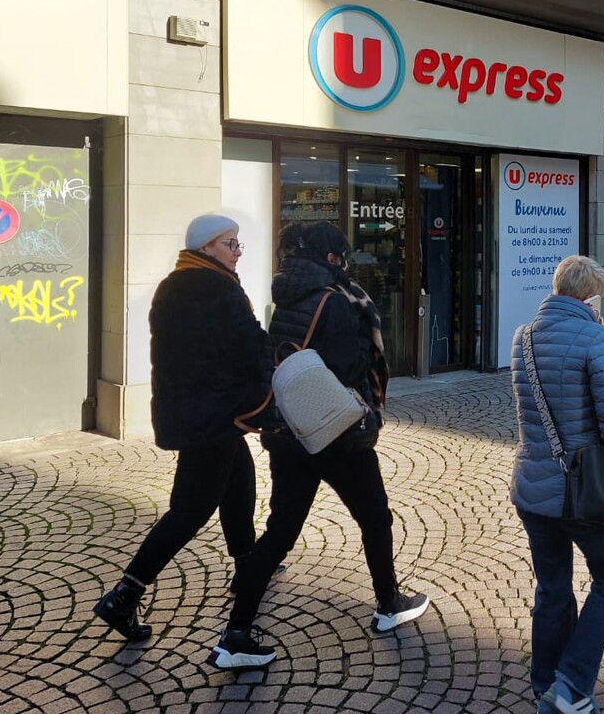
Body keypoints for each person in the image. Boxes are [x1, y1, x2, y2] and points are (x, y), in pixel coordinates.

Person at [211, 220, 430, 670]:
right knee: (375, 516)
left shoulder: (286, 295)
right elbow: (349, 367)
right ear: (331, 258)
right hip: (337, 435)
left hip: (288, 432)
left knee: (279, 533)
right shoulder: (337, 300)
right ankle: (389, 602)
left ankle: (235, 635)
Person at [93, 214, 267, 642]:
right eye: (231, 243)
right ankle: (125, 595)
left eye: (238, 243)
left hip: (194, 411)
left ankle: (248, 563)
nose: (238, 251)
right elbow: (246, 345)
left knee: (240, 481)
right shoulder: (217, 287)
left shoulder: (176, 283)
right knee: (191, 510)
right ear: (207, 247)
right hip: (212, 414)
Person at [511, 255, 604, 714]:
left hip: (532, 486)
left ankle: (544, 683)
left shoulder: (522, 338)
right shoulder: (595, 337)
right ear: (590, 296)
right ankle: (570, 686)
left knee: (552, 590)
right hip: (583, 492)